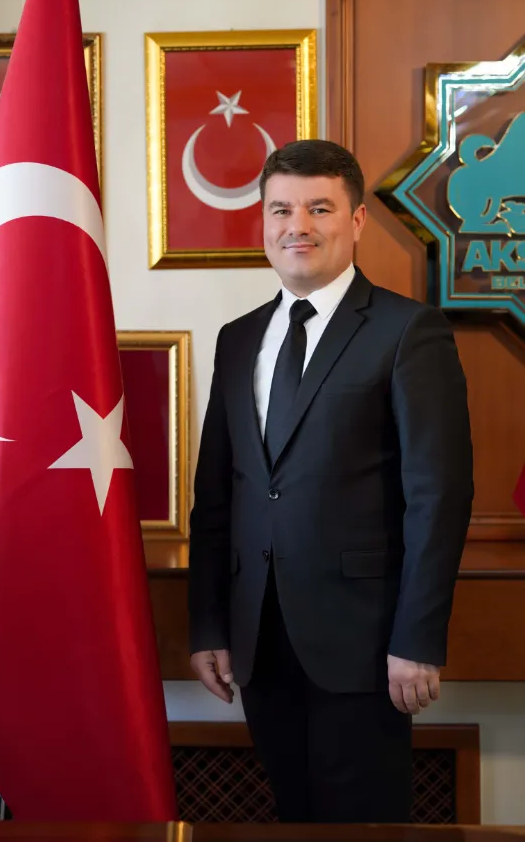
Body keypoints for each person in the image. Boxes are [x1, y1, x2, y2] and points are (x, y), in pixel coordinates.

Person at [188, 139, 473, 824]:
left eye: (319, 208)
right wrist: (208, 625)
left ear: (356, 220)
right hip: (258, 639)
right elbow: (216, 496)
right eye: (281, 209)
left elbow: (437, 498)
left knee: (366, 827)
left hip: (366, 644)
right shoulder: (236, 339)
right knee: (292, 817)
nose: (298, 226)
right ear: (263, 221)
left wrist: (417, 639)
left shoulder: (408, 330)